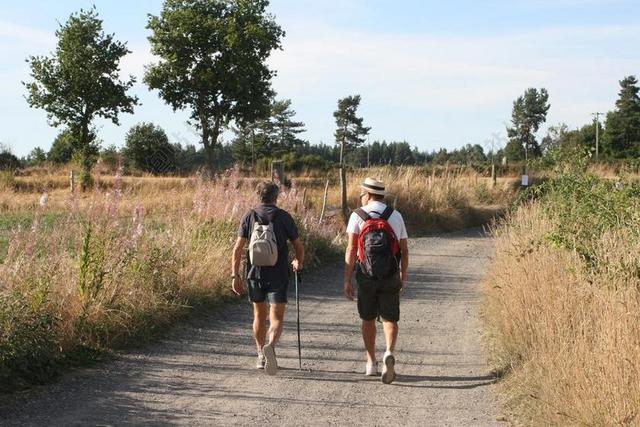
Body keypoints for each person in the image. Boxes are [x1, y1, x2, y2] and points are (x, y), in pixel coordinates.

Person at [231, 181, 305, 375]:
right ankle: (270, 347)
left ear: (259, 196)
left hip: (254, 273)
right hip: (278, 273)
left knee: (258, 315)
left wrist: (235, 275)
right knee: (277, 316)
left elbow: (238, 249)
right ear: (276, 196)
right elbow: (299, 247)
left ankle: (260, 354)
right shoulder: (283, 217)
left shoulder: (249, 216)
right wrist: (298, 261)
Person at [344, 177, 409, 384]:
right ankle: (388, 351)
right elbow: (405, 251)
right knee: (390, 318)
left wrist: (347, 279)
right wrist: (403, 276)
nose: (361, 197)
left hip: (365, 274)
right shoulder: (395, 216)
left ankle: (371, 362)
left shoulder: (357, 216)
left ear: (368, 194)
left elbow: (352, 249)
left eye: (362, 193)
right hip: (390, 274)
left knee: (368, 318)